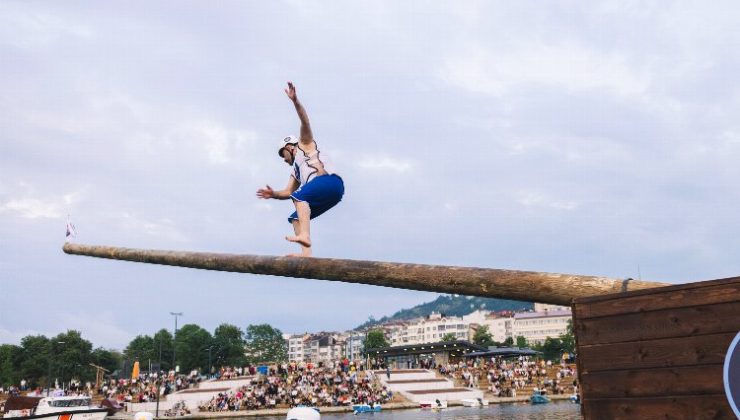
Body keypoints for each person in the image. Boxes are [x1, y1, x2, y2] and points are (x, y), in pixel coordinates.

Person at [257, 82, 344, 257]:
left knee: (300, 196)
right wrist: (273, 193)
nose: (284, 160)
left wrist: (295, 101)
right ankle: (307, 254)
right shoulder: (296, 170)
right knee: (295, 217)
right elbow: (288, 191)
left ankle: (305, 235)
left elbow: (305, 121)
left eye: (283, 155)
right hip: (332, 194)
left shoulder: (304, 144)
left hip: (329, 182)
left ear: (289, 147)